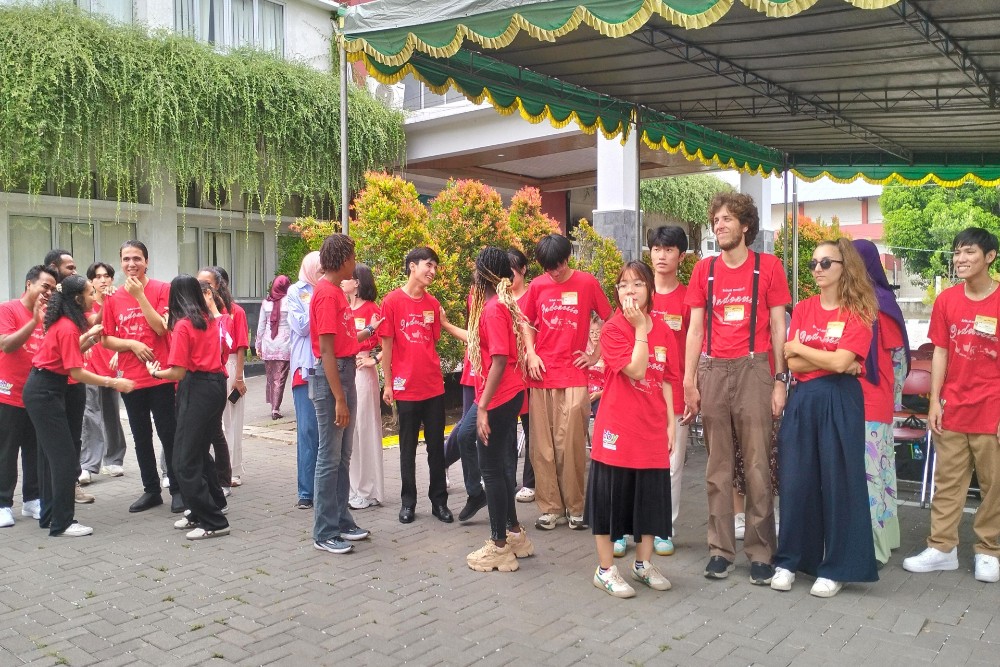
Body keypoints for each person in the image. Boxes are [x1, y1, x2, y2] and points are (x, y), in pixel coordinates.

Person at [684, 192, 790, 584]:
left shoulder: (771, 267)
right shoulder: (703, 270)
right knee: (717, 468)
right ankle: (719, 550)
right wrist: (688, 381)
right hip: (712, 370)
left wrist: (780, 381)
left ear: (745, 225)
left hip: (755, 369)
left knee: (759, 466)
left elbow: (780, 328)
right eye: (716, 220)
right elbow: (695, 330)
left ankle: (761, 552)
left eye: (728, 219)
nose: (720, 225)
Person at [771, 238, 878, 597]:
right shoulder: (803, 308)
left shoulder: (859, 310)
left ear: (844, 267)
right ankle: (789, 561)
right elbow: (793, 363)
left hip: (840, 401)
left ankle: (837, 567)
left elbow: (838, 363)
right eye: (814, 263)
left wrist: (802, 347)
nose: (817, 269)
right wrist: (827, 356)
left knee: (839, 483)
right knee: (796, 481)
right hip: (803, 400)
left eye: (825, 263)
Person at [903, 227, 1000, 583]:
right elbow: (940, 351)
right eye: (957, 252)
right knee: (948, 482)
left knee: (994, 484)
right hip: (954, 405)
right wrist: (934, 402)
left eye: (969, 252)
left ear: (989, 257)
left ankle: (988, 550)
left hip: (993, 407)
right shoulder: (947, 301)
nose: (960, 259)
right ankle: (942, 548)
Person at [588, 261, 675, 598]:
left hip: (652, 428)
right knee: (610, 497)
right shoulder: (613, 329)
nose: (630, 291)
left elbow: (666, 378)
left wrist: (669, 423)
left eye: (637, 284)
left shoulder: (665, 330)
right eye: (623, 286)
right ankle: (606, 570)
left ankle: (642, 565)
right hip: (617, 428)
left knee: (650, 497)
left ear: (650, 289)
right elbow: (637, 370)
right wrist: (640, 329)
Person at [24, 275, 135, 536]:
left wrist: (92, 335)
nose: (93, 297)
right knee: (63, 460)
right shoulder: (67, 326)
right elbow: (76, 371)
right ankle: (62, 523)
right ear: (77, 299)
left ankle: (50, 516)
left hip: (45, 387)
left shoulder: (67, 323)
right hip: (45, 391)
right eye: (89, 293)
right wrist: (113, 382)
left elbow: (69, 352)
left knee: (51, 458)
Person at [521, 233, 612, 530]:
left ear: (567, 258)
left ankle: (576, 507)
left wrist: (595, 354)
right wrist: (531, 354)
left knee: (570, 442)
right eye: (548, 268)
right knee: (542, 446)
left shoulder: (586, 283)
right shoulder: (537, 285)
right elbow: (526, 322)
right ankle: (550, 508)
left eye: (557, 266)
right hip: (541, 374)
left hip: (574, 372)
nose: (554, 272)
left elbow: (609, 317)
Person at [614, 225, 690, 560]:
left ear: (681, 256)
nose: (661, 255)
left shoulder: (689, 298)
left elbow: (694, 345)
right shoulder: (629, 299)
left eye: (669, 249)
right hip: (632, 400)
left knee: (669, 465)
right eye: (656, 249)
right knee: (627, 463)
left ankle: (663, 528)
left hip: (671, 394)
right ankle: (622, 528)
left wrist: (692, 389)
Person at [464, 247, 533, 572]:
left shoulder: (493, 308)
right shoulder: (500, 304)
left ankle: (499, 546)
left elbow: (500, 359)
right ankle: (515, 534)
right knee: (501, 469)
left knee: (491, 470)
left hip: (499, 398)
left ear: (483, 275)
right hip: (507, 395)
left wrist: (483, 407)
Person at [145, 275, 231, 540]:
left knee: (184, 459)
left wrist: (156, 373)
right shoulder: (207, 319)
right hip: (215, 385)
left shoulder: (183, 325)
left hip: (197, 387)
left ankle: (214, 521)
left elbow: (179, 372)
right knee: (200, 452)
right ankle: (207, 506)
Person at [101, 241, 181, 513]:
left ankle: (178, 489)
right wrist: (131, 345)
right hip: (130, 378)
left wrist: (140, 297)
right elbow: (107, 339)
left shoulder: (162, 289)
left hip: (160, 374)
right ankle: (151, 490)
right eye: (126, 259)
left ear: (146, 262)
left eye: (137, 258)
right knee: (141, 435)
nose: (131, 263)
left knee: (168, 433)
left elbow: (161, 328)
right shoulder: (112, 298)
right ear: (120, 262)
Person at [310, 234, 375, 554]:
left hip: (344, 372)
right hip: (332, 379)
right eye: (353, 256)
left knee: (342, 456)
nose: (355, 262)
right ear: (344, 259)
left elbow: (345, 341)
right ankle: (324, 531)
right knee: (329, 457)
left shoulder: (334, 292)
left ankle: (341, 520)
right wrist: (338, 397)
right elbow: (325, 350)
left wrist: (371, 330)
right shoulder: (325, 294)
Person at [379, 247, 452, 525]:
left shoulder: (433, 304)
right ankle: (408, 502)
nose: (432, 271)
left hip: (433, 387)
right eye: (428, 265)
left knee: (436, 447)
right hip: (405, 388)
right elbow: (386, 345)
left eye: (435, 266)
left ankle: (440, 502)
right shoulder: (392, 302)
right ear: (412, 266)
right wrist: (388, 383)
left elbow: (431, 341)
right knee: (407, 447)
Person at [854, 239, 910, 568]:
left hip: (872, 400)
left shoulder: (880, 303)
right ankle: (878, 540)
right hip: (855, 399)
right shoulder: (854, 300)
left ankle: (874, 547)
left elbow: (898, 358)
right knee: (873, 472)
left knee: (872, 475)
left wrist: (892, 397)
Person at [0, 266, 57, 527]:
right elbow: (7, 344)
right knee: (6, 451)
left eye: (53, 289)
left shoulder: (49, 317)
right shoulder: (9, 309)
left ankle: (32, 499)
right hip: (8, 392)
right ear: (28, 284)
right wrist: (33, 322)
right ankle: (3, 503)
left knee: (34, 450)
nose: (48, 292)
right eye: (44, 286)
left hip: (35, 395)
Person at [79, 262, 129, 484]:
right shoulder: (84, 303)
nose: (103, 280)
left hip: (112, 365)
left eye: (107, 276)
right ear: (90, 281)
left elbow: (126, 327)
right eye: (97, 276)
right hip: (89, 367)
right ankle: (88, 465)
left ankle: (115, 458)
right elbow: (87, 327)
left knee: (111, 415)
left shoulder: (118, 300)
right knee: (90, 416)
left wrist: (121, 350)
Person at [199, 267, 248, 487]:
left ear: (218, 285)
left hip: (230, 365)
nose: (202, 286)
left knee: (232, 421)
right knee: (212, 422)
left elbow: (240, 347)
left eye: (207, 282)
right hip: (208, 368)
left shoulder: (234, 311)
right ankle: (213, 469)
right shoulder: (198, 312)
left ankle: (233, 470)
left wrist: (238, 378)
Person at [343, 263, 385, 510]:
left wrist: (374, 360)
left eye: (347, 278)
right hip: (346, 371)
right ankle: (354, 487)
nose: (342, 281)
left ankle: (368, 490)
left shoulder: (372, 310)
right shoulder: (345, 308)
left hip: (363, 374)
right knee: (351, 432)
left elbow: (388, 342)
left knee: (365, 429)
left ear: (357, 282)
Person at [287, 252, 321, 510]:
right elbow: (301, 326)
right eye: (319, 269)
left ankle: (326, 488)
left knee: (328, 432)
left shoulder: (332, 290)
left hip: (329, 365)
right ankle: (306, 491)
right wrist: (320, 302)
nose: (322, 273)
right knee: (308, 430)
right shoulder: (295, 292)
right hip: (305, 367)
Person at [507, 248, 535, 504]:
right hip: (507, 372)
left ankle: (530, 482)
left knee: (530, 427)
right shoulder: (500, 299)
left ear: (523, 269)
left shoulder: (532, 296)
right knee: (505, 427)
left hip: (529, 373)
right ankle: (507, 479)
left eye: (512, 271)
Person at [256, 275, 291, 420]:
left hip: (268, 343)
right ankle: (275, 408)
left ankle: (273, 405)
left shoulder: (266, 303)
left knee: (271, 377)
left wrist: (258, 345)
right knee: (280, 377)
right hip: (284, 343)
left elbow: (261, 326)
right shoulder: (289, 301)